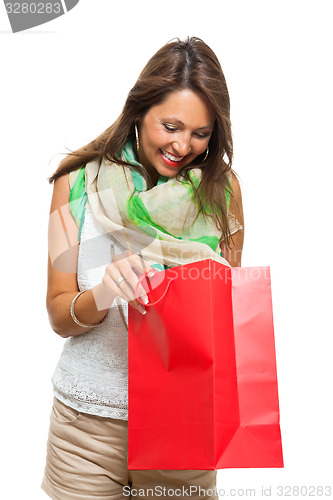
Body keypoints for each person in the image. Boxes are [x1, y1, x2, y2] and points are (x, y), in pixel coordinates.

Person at [42, 36, 244, 500]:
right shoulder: (75, 184)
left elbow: (224, 318)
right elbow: (57, 314)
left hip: (184, 428)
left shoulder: (222, 192)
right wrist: (104, 293)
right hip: (86, 433)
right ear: (138, 111)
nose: (182, 146)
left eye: (201, 133)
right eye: (169, 126)